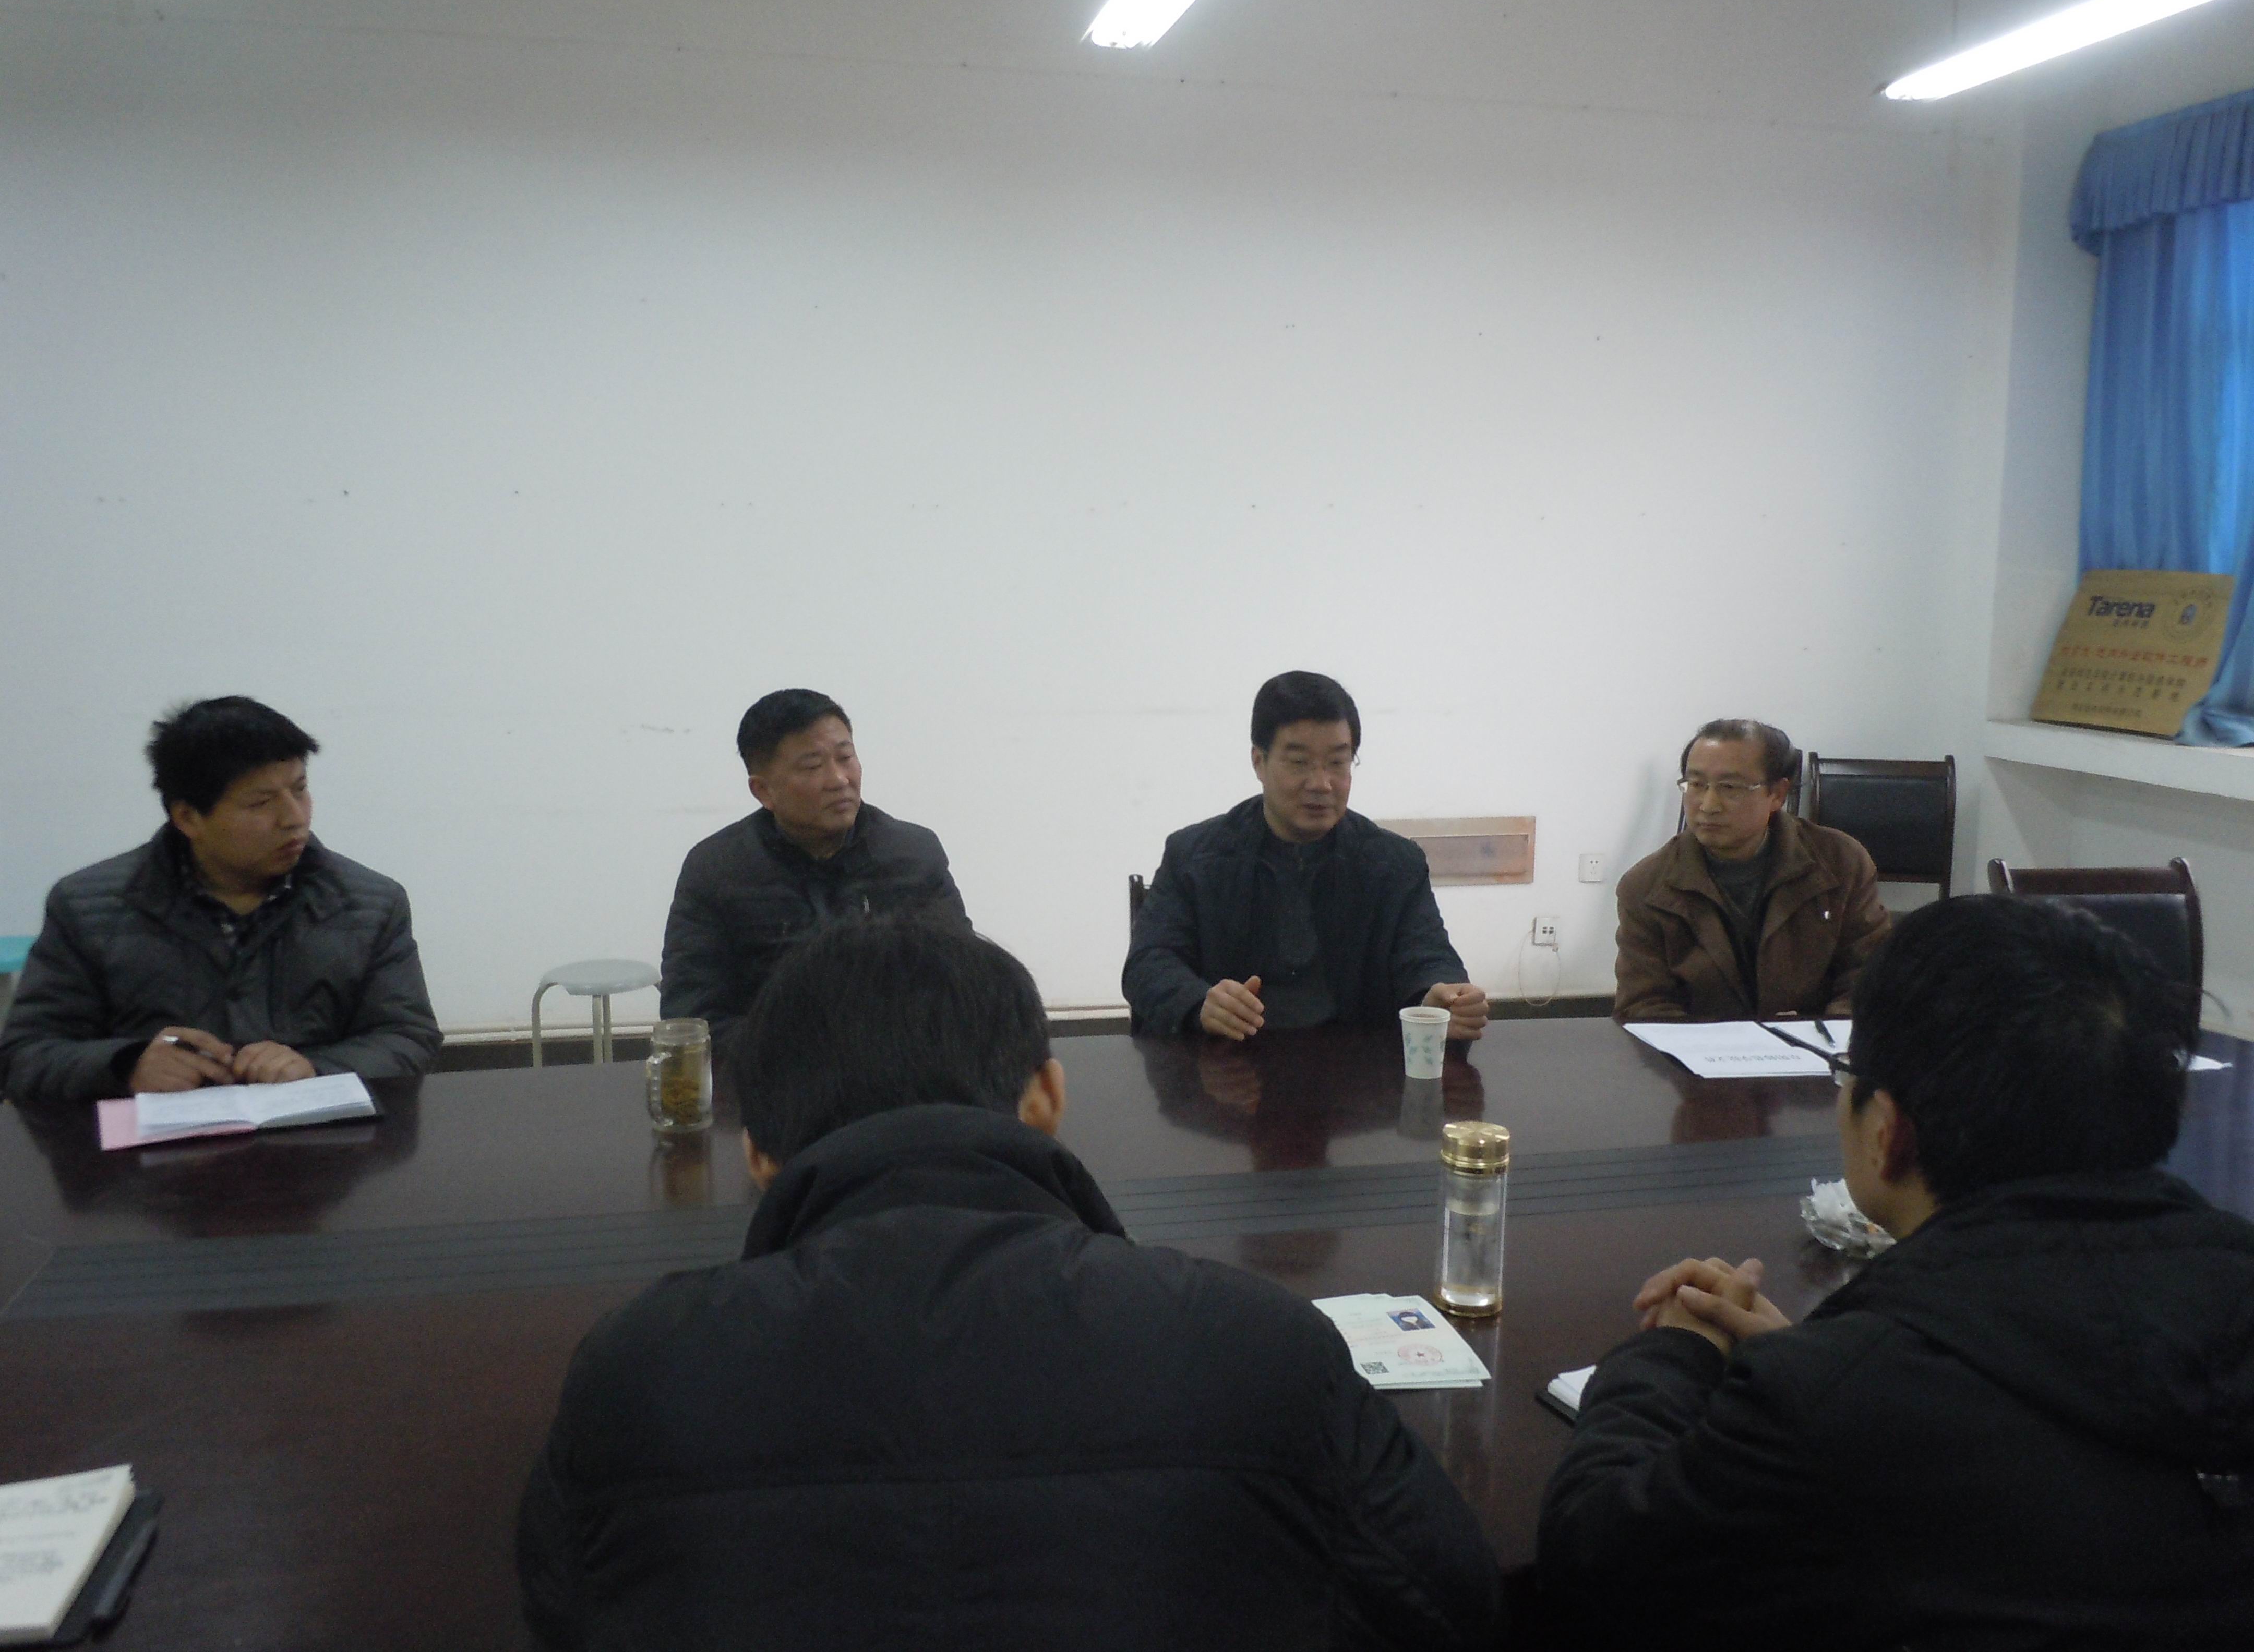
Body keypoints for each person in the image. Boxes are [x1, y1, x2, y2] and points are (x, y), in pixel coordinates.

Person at [518, 915, 1508, 1650]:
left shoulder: (638, 1375)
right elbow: (1450, 1599)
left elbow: (564, 1611)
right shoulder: (1258, 1343)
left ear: (761, 1159)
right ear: (1045, 1098)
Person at [1541, 895, 2254, 1648]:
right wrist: (1820, 1356)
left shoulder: (1838, 1404)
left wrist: (1671, 1354)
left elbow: (1593, 1558)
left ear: (1889, 1132)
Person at [0, 697, 441, 1102]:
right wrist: (126, 1065)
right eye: (261, 802)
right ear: (188, 818)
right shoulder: (88, 907)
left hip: (318, 1148)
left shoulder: (369, 904)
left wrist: (317, 1069)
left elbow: (407, 1037)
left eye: (300, 788)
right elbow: (26, 1055)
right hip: (146, 1156)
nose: (294, 818)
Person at [1123, 671, 1486, 1041]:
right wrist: (1199, 1003)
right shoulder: (1195, 858)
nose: (1321, 784)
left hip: (1359, 1067)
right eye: (1299, 762)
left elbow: (1428, 956)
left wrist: (1438, 997)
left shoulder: (1395, 865)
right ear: (1259, 762)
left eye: (1337, 763)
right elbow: (1148, 964)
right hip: (1227, 1063)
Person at [660, 688, 969, 1056]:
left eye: (846, 757)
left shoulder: (914, 855)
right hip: (772, 1074)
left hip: (902, 1069)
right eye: (812, 766)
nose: (839, 780)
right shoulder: (717, 870)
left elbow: (966, 984)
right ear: (763, 791)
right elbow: (692, 1018)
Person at [1611, 718, 1887, 1021]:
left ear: (1777, 794)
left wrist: (1826, 1038)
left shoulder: (1840, 861)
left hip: (1816, 1042)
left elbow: (1867, 978)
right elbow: (1645, 1005)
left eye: (1730, 787)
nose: (1708, 805)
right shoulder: (1646, 886)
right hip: (1701, 1046)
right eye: (1697, 785)